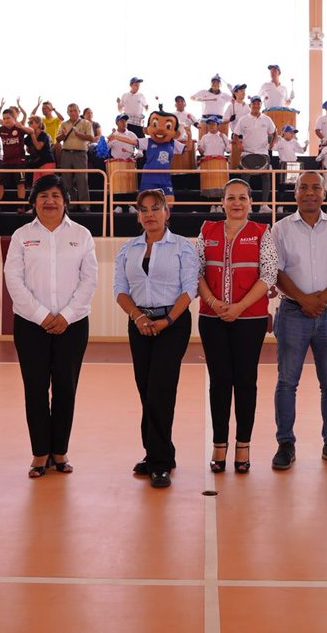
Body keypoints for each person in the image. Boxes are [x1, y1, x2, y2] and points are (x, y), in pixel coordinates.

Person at [4, 175, 98, 477]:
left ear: (65, 201)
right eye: (43, 195)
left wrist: (67, 315)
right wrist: (42, 315)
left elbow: (89, 279)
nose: (50, 201)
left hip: (73, 325)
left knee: (65, 388)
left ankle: (60, 452)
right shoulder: (21, 236)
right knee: (35, 388)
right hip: (31, 326)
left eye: (56, 195)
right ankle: (40, 453)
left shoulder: (82, 235)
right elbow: (13, 280)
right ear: (34, 201)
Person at [271, 172, 327, 470]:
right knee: (286, 382)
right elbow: (276, 272)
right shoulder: (280, 229)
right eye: (303, 187)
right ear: (295, 193)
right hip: (292, 313)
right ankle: (285, 443)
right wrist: (304, 299)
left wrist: (320, 300)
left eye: (315, 187)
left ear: (325, 193)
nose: (309, 193)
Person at [113, 189, 198, 488]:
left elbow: (189, 289)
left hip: (172, 324)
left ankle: (160, 462)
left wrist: (168, 320)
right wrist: (139, 318)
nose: (149, 214)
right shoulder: (128, 249)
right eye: (144, 209)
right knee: (146, 390)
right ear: (138, 215)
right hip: (140, 323)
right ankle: (157, 453)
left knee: (161, 390)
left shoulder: (183, 247)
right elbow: (120, 290)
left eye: (155, 208)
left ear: (166, 212)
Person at [197, 179, 277, 474]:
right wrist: (215, 304)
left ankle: (243, 445)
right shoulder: (207, 231)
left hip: (250, 319)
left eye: (242, 198)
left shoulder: (261, 233)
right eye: (231, 198)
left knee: (245, 382)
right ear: (223, 202)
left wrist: (239, 307)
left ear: (250, 202)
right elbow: (196, 271)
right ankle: (220, 445)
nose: (237, 203)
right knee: (219, 382)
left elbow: (269, 274)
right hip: (211, 318)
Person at [231, 97, 277, 208]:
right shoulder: (243, 119)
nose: (256, 105)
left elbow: (275, 132)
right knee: (245, 179)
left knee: (266, 178)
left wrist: (272, 144)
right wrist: (239, 145)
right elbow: (235, 135)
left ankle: (264, 205)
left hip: (263, 153)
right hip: (247, 154)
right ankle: (246, 205)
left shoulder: (267, 119)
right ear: (250, 105)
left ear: (261, 105)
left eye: (258, 103)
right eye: (254, 103)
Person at [56, 102, 95, 208]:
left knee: (82, 180)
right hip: (66, 153)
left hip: (80, 153)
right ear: (67, 113)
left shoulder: (86, 123)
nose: (73, 113)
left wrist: (78, 134)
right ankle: (70, 204)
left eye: (75, 110)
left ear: (79, 111)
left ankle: (85, 206)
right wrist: (63, 136)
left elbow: (91, 138)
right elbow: (57, 139)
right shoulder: (64, 124)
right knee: (66, 180)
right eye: (70, 111)